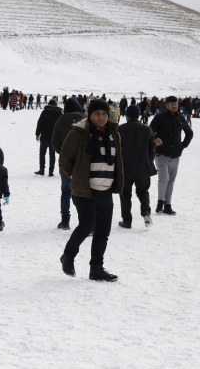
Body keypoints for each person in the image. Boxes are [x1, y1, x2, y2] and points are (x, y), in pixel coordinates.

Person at [59, 99, 123, 282]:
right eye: (97, 114)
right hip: (84, 191)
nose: (101, 117)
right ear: (89, 114)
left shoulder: (114, 133)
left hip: (106, 190)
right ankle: (68, 256)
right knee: (86, 226)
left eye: (104, 113)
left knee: (103, 232)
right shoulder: (78, 133)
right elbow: (64, 160)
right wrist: (77, 176)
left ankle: (96, 268)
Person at [149, 96, 193, 215]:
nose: (174, 105)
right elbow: (149, 131)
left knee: (171, 180)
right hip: (161, 153)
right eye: (172, 104)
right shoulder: (159, 117)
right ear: (167, 105)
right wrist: (156, 138)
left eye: (176, 103)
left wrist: (183, 145)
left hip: (175, 155)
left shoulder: (181, 118)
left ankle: (167, 204)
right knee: (164, 178)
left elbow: (189, 133)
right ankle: (160, 202)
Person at [117, 105, 156, 229]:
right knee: (143, 192)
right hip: (143, 168)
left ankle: (127, 221)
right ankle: (146, 213)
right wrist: (148, 161)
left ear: (127, 116)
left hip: (125, 169)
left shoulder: (120, 129)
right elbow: (152, 149)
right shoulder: (147, 129)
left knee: (125, 195)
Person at [51, 98, 86, 230]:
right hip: (83, 164)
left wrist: (64, 154)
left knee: (66, 192)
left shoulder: (60, 121)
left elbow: (54, 143)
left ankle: (65, 220)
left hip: (66, 165)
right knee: (83, 193)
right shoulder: (86, 121)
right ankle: (84, 220)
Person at [35, 100, 63, 176]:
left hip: (44, 136)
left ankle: (42, 169)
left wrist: (37, 134)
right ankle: (51, 171)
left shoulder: (44, 112)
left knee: (42, 154)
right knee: (52, 154)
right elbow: (61, 126)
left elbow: (40, 123)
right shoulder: (59, 114)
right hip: (54, 137)